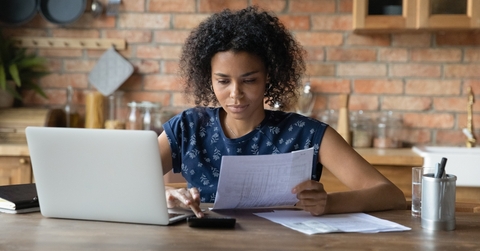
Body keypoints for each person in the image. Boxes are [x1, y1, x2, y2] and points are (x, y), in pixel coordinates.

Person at [158, 6, 406, 218]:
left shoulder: (305, 134)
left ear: (269, 77)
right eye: (223, 81)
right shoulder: (187, 128)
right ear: (208, 79)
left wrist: (330, 203)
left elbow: (390, 195)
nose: (235, 93)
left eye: (249, 80)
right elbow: (123, 180)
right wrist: (164, 193)